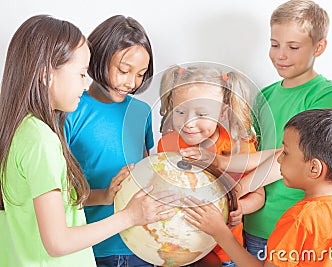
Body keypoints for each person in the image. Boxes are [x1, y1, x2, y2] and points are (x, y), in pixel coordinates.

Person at [0, 15, 176, 267]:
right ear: (45, 74)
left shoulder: (25, 131)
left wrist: (107, 196)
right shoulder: (44, 137)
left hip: (136, 245)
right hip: (91, 247)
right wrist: (129, 216)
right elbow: (57, 241)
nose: (85, 85)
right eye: (82, 74)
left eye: (140, 74)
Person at [184, 108, 332, 267]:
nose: (279, 159)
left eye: (286, 153)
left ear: (314, 168)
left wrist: (220, 233)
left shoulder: (299, 219)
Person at [238, 0, 332, 260]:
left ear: (319, 47)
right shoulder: (264, 95)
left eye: (293, 47)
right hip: (254, 223)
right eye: (275, 44)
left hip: (301, 225)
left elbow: (294, 157)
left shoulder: (328, 94)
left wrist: (236, 190)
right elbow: (256, 153)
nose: (280, 55)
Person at [64, 15, 158, 267]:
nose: (131, 83)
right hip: (91, 246)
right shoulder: (70, 111)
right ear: (98, 58)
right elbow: (58, 195)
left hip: (142, 245)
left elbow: (149, 175)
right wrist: (104, 195)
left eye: (140, 74)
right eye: (124, 71)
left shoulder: (142, 112)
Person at [158, 63, 265, 267]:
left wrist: (240, 208)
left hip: (226, 253)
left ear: (223, 113)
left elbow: (259, 196)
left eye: (201, 114)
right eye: (180, 112)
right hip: (180, 249)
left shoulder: (238, 145)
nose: (189, 123)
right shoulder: (168, 144)